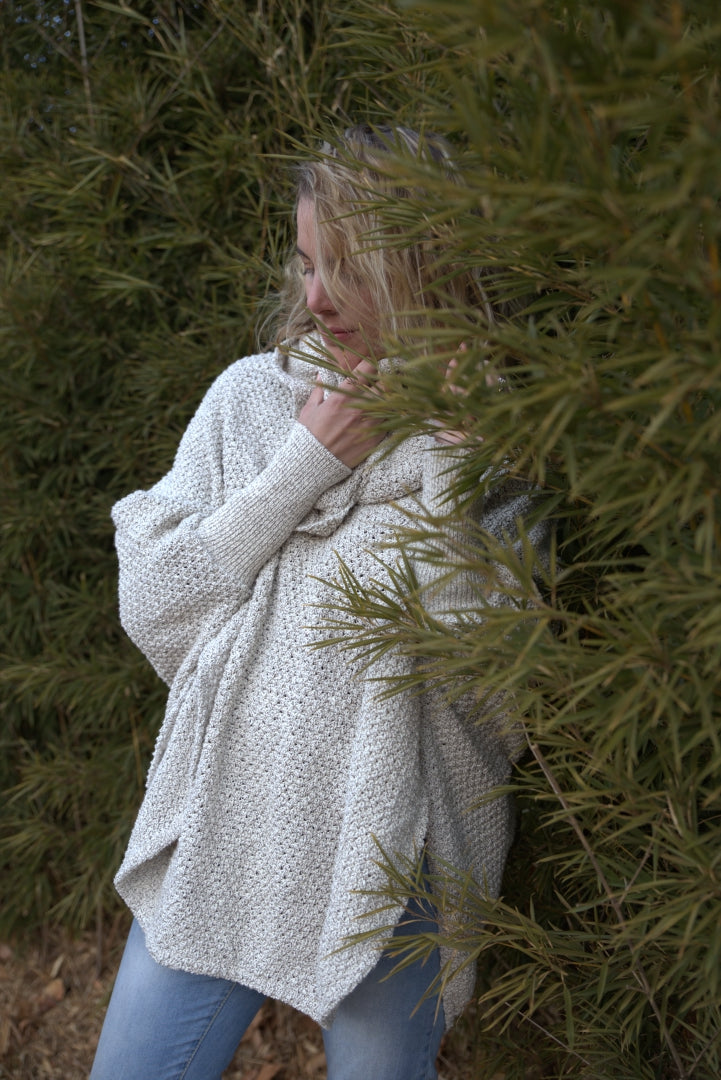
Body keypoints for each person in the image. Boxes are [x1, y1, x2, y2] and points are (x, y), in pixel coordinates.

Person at [90, 124, 547, 1080]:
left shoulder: (494, 445)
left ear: (420, 271)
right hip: (225, 821)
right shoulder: (250, 402)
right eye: (304, 263)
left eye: (345, 268)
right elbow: (157, 606)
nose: (314, 298)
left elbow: (496, 687)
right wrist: (303, 466)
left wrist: (456, 473)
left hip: (394, 856)